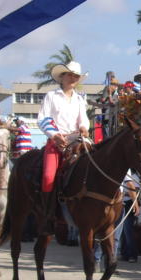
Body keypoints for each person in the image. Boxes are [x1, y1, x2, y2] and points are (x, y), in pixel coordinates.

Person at [38, 60, 91, 231]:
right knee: (48, 177)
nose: (73, 78)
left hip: (76, 141)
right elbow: (44, 119)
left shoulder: (79, 99)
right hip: (56, 142)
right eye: (70, 75)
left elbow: (83, 119)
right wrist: (54, 135)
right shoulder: (51, 96)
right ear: (62, 77)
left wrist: (84, 127)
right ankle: (48, 214)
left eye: (76, 76)